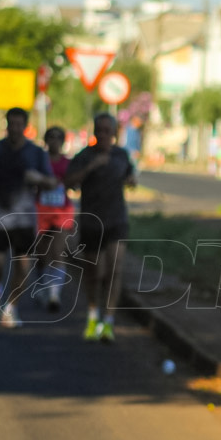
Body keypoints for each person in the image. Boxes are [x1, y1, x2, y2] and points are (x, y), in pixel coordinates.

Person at [0, 107, 56, 328]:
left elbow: (52, 182)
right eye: (12, 124)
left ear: (26, 126)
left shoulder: (36, 152)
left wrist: (38, 177)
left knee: (23, 265)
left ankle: (11, 308)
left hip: (24, 216)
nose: (15, 128)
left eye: (20, 124)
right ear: (7, 125)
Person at [64, 113, 136, 343]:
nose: (103, 134)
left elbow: (129, 175)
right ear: (94, 132)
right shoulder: (85, 155)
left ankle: (108, 322)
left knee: (115, 270)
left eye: (107, 130)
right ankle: (93, 314)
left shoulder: (121, 155)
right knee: (96, 273)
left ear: (114, 133)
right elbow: (69, 182)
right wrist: (91, 168)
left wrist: (131, 180)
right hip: (91, 221)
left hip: (117, 220)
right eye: (99, 130)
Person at [34, 126, 75, 312]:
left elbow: (74, 184)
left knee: (58, 251)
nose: (55, 141)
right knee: (42, 254)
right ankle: (43, 283)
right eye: (51, 137)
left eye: (59, 138)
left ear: (63, 141)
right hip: (40, 209)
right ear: (46, 140)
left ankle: (54, 295)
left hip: (62, 210)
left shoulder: (68, 163)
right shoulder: (39, 161)